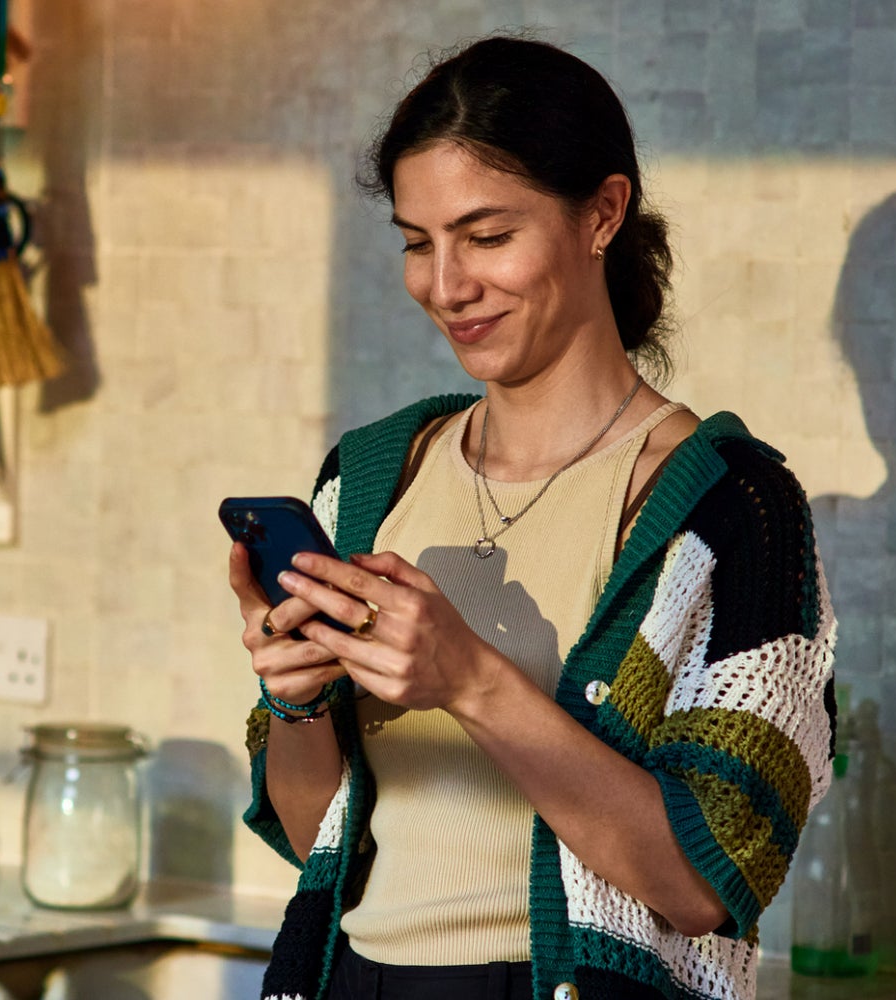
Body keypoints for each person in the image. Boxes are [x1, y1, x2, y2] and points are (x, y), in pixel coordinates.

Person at [226, 37, 837, 1000]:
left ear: (603, 213)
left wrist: (472, 680)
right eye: (417, 242)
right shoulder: (372, 480)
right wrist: (294, 697)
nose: (445, 286)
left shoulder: (730, 508)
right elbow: (318, 842)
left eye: (486, 236)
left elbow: (706, 880)